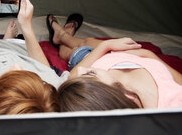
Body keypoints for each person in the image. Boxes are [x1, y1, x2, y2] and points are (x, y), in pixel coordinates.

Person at [46, 14, 182, 110]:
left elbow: (74, 75)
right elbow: (149, 56)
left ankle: (61, 37)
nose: (82, 71)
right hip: (116, 52)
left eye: (90, 75)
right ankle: (64, 36)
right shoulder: (173, 97)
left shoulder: (91, 92)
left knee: (70, 53)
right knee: (85, 42)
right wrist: (142, 54)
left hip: (94, 56)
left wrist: (105, 46)